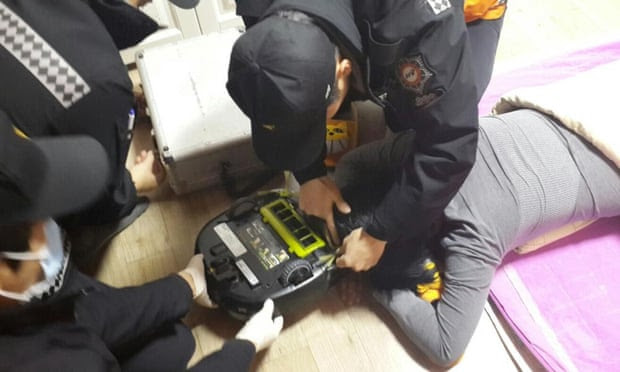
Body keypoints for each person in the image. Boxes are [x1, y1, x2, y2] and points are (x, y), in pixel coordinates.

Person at [226, 0, 507, 275]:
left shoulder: (423, 23)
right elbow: (280, 83)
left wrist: (381, 232)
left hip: (471, 11)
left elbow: (450, 145)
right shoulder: (259, 11)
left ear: (343, 71)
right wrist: (309, 174)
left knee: (423, 117)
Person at [336, 104, 620, 366]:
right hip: (574, 110)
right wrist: (356, 223)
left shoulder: (473, 235)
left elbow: (446, 348)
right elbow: (351, 164)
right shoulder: (420, 150)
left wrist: (380, 283)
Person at [0, 121, 283, 371]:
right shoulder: (54, 363)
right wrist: (243, 348)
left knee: (174, 344)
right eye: (29, 227)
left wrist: (185, 284)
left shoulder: (28, 317)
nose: (47, 229)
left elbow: (80, 317)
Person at [0, 0, 182, 262]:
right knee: (94, 173)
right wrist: (135, 183)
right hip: (13, 192)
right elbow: (100, 188)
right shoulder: (104, 84)